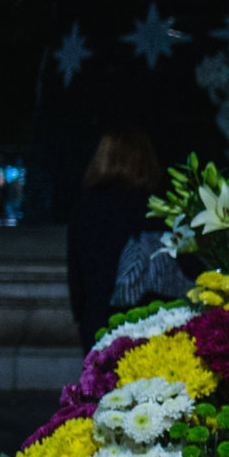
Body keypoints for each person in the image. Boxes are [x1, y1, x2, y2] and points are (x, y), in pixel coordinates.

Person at [64, 127, 163, 342]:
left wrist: (81, 313)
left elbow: (76, 267)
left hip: (98, 314)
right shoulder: (154, 207)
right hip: (150, 317)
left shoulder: (86, 206)